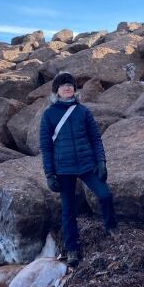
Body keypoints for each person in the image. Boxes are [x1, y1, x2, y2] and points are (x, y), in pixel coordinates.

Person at [39, 72, 119, 267]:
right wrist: (49, 174)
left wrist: (101, 162)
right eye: (63, 85)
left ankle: (111, 227)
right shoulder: (49, 114)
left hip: (86, 165)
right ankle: (72, 248)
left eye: (70, 85)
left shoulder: (83, 112)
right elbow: (46, 146)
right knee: (68, 211)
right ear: (56, 90)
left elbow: (95, 139)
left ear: (75, 89)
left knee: (105, 194)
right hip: (63, 169)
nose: (67, 88)